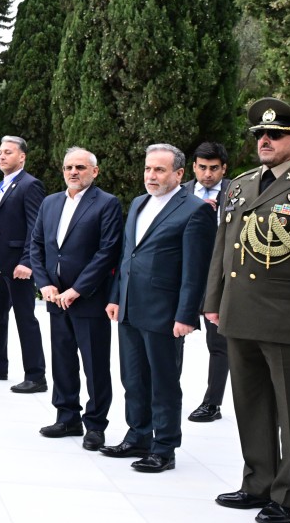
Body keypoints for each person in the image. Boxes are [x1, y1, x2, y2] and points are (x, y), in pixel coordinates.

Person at [205, 98, 290, 523]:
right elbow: (222, 251)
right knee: (251, 404)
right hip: (240, 312)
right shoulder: (240, 185)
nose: (264, 140)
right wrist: (213, 301)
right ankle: (257, 483)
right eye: (259, 134)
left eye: (274, 135)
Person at [101, 144, 216, 473]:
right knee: (132, 377)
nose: (151, 175)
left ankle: (164, 447)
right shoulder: (138, 203)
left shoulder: (195, 210)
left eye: (160, 170)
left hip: (165, 312)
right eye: (149, 169)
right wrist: (115, 296)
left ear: (179, 174)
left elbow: (196, 270)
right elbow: (127, 256)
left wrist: (186, 315)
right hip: (130, 306)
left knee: (163, 380)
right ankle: (138, 435)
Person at [30, 147, 122, 451]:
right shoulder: (50, 203)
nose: (73, 172)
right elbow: (37, 246)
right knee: (63, 360)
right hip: (55, 297)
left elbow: (107, 251)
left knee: (95, 364)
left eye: (80, 167)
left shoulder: (106, 204)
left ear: (94, 172)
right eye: (68, 167)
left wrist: (78, 289)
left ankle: (95, 425)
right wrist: (44, 284)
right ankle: (67, 416)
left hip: (88, 299)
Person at [0, 136, 47, 393]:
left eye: (8, 152)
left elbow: (36, 227)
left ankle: (36, 376)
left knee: (25, 317)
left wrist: (28, 261)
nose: (2, 157)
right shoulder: (2, 184)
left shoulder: (30, 185)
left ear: (22, 157)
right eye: (0, 152)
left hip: (19, 266)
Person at [181, 141, 231, 423]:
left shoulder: (237, 192)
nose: (207, 174)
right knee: (174, 336)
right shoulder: (182, 193)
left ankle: (212, 403)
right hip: (185, 275)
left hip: (221, 277)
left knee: (218, 344)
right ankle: (166, 393)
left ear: (224, 168)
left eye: (214, 168)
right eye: (202, 167)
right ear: (194, 167)